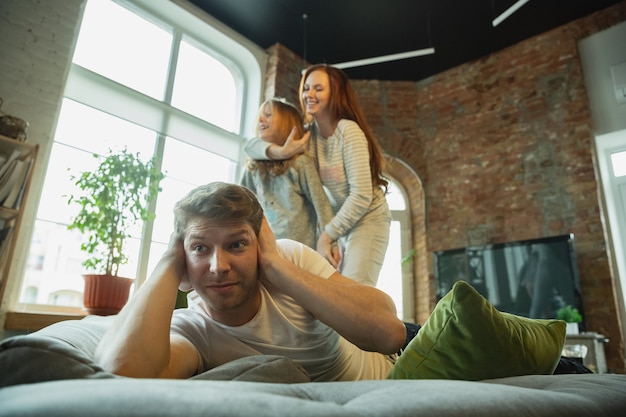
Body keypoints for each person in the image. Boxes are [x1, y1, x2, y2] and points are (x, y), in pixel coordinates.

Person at [94, 182, 407, 381]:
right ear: (183, 260)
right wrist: (168, 264)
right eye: (200, 248)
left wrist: (275, 266)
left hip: (394, 364)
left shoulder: (288, 258)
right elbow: (122, 372)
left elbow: (389, 333)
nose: (218, 267)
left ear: (260, 243)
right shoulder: (193, 330)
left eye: (236, 244)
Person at [245, 64, 391, 286]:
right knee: (334, 291)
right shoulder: (307, 135)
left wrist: (326, 236)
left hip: (367, 218)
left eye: (318, 89)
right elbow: (251, 146)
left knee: (353, 290)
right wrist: (281, 151)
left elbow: (361, 196)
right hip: (337, 223)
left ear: (335, 94)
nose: (308, 95)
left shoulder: (348, 132)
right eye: (306, 88)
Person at [240, 98, 333, 250]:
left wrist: (330, 244)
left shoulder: (300, 164)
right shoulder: (253, 167)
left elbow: (322, 205)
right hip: (263, 248)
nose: (261, 120)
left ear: (285, 124)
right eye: (260, 116)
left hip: (297, 250)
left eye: (268, 115)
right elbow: (241, 205)